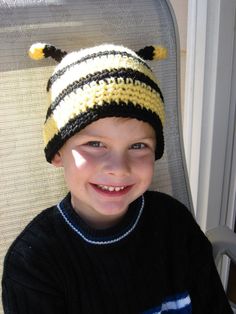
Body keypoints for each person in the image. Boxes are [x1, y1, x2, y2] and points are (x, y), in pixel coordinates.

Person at [2, 42, 233, 314]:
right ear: (57, 153)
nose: (119, 168)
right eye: (96, 144)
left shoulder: (175, 225)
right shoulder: (33, 263)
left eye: (138, 146)